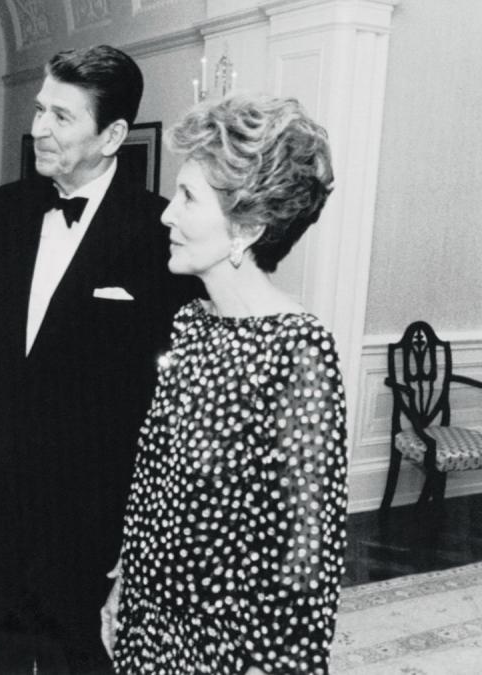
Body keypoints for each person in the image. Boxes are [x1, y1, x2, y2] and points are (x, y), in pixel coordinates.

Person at [0, 45, 201, 674]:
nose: (37, 128)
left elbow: (164, 399)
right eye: (39, 110)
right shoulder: (2, 211)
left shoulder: (159, 234)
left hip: (89, 517)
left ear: (113, 134)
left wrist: (137, 528)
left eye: (62, 117)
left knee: (77, 660)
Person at [101, 93, 348, 674]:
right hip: (153, 626)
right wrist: (124, 589)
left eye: (188, 197)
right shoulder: (192, 323)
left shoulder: (297, 352)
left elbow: (306, 567)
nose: (167, 213)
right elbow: (153, 487)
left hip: (233, 650)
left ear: (249, 224)